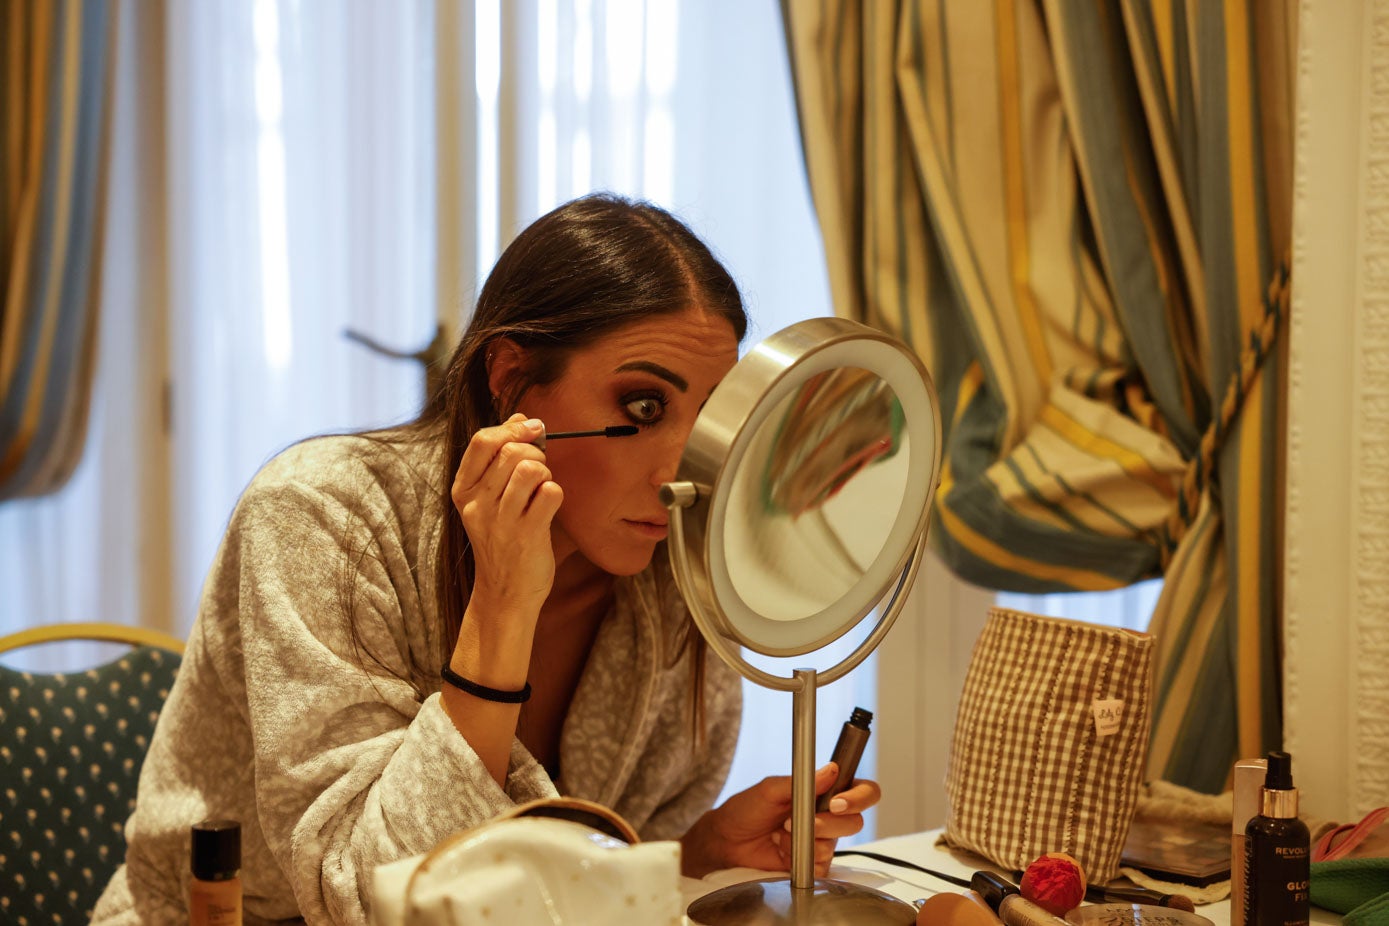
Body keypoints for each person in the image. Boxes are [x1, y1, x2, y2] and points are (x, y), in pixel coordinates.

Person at [92, 194, 882, 925]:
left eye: (707, 417)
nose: (679, 468)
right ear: (511, 382)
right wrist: (504, 604)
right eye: (642, 407)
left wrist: (700, 853)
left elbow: (578, 882)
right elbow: (367, 899)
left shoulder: (669, 574)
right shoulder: (319, 516)